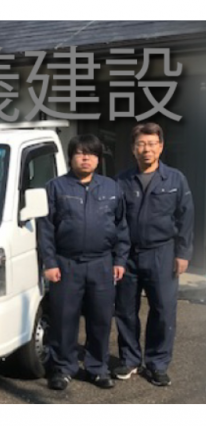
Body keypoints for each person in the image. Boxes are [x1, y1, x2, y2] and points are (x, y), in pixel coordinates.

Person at [38, 134, 129, 391]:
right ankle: (63, 368)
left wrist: (120, 260)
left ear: (98, 159)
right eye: (80, 153)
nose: (85, 158)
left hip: (102, 263)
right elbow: (45, 228)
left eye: (91, 153)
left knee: (101, 319)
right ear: (71, 157)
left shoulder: (111, 188)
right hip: (67, 264)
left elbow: (122, 227)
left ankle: (97, 368)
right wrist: (50, 262)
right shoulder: (55, 187)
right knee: (64, 319)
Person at [114, 123, 194, 386]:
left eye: (151, 144)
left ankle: (157, 363)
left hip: (162, 252)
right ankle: (129, 359)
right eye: (141, 144)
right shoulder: (122, 181)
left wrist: (183, 253)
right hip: (128, 255)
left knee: (163, 310)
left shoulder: (175, 179)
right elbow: (115, 219)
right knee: (125, 310)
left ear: (160, 147)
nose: (146, 149)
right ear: (133, 148)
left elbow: (186, 217)